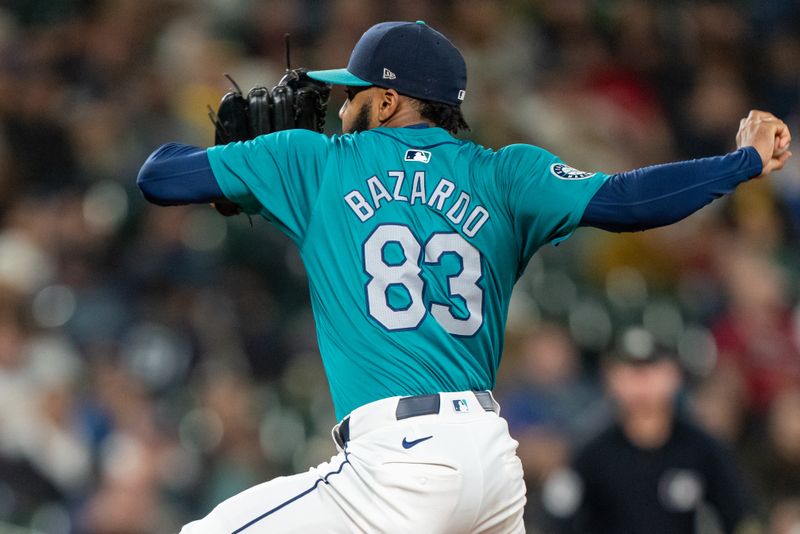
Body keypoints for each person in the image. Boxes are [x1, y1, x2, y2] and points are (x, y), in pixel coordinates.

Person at [136, 20, 791, 534]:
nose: (338, 109)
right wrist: (739, 163)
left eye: (351, 94)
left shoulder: (311, 161)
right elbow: (629, 200)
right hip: (489, 456)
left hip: (399, 465)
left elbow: (160, 176)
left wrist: (242, 158)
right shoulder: (506, 173)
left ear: (388, 100)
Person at [547, 328, 761, 534]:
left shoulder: (703, 449)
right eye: (630, 371)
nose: (642, 382)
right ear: (610, 378)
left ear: (675, 375)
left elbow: (743, 519)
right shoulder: (591, 453)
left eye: (652, 369)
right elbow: (556, 519)